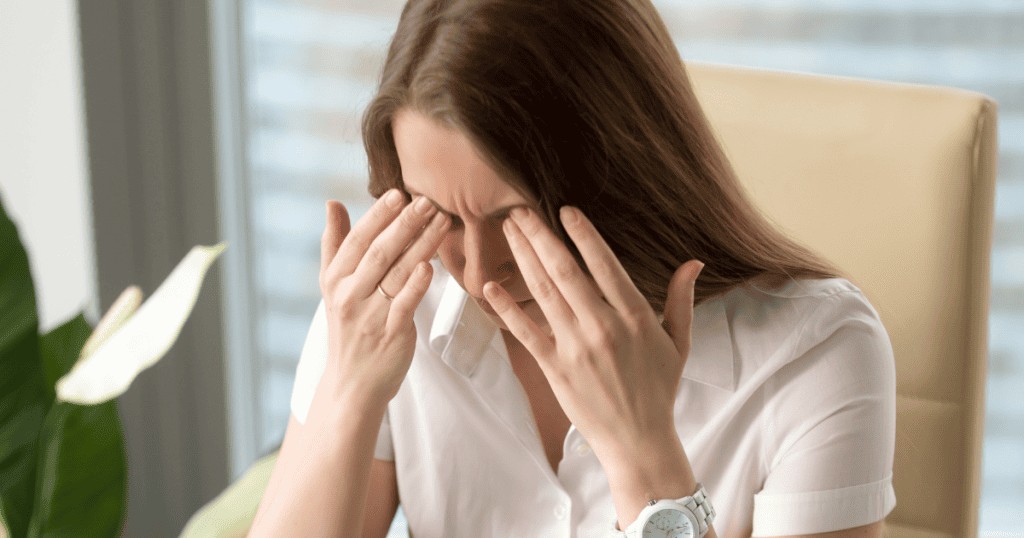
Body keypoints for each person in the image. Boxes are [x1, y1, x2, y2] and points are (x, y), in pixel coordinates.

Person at [249, 0, 897, 536]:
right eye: (435, 210)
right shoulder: (385, 308)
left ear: (625, 174)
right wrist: (348, 396)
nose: (477, 274)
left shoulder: (817, 353)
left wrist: (646, 458)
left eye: (514, 216)